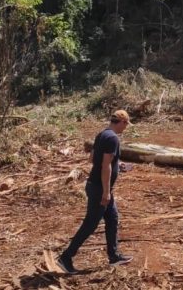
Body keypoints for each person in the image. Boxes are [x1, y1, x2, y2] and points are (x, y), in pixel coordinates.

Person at [57, 110, 133, 274]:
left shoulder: (102, 134)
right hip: (100, 188)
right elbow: (105, 165)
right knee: (90, 223)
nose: (125, 128)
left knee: (112, 218)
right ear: (122, 122)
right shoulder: (112, 138)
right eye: (126, 124)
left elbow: (93, 159)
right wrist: (106, 192)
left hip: (99, 186)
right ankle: (66, 257)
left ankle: (114, 256)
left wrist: (117, 164)